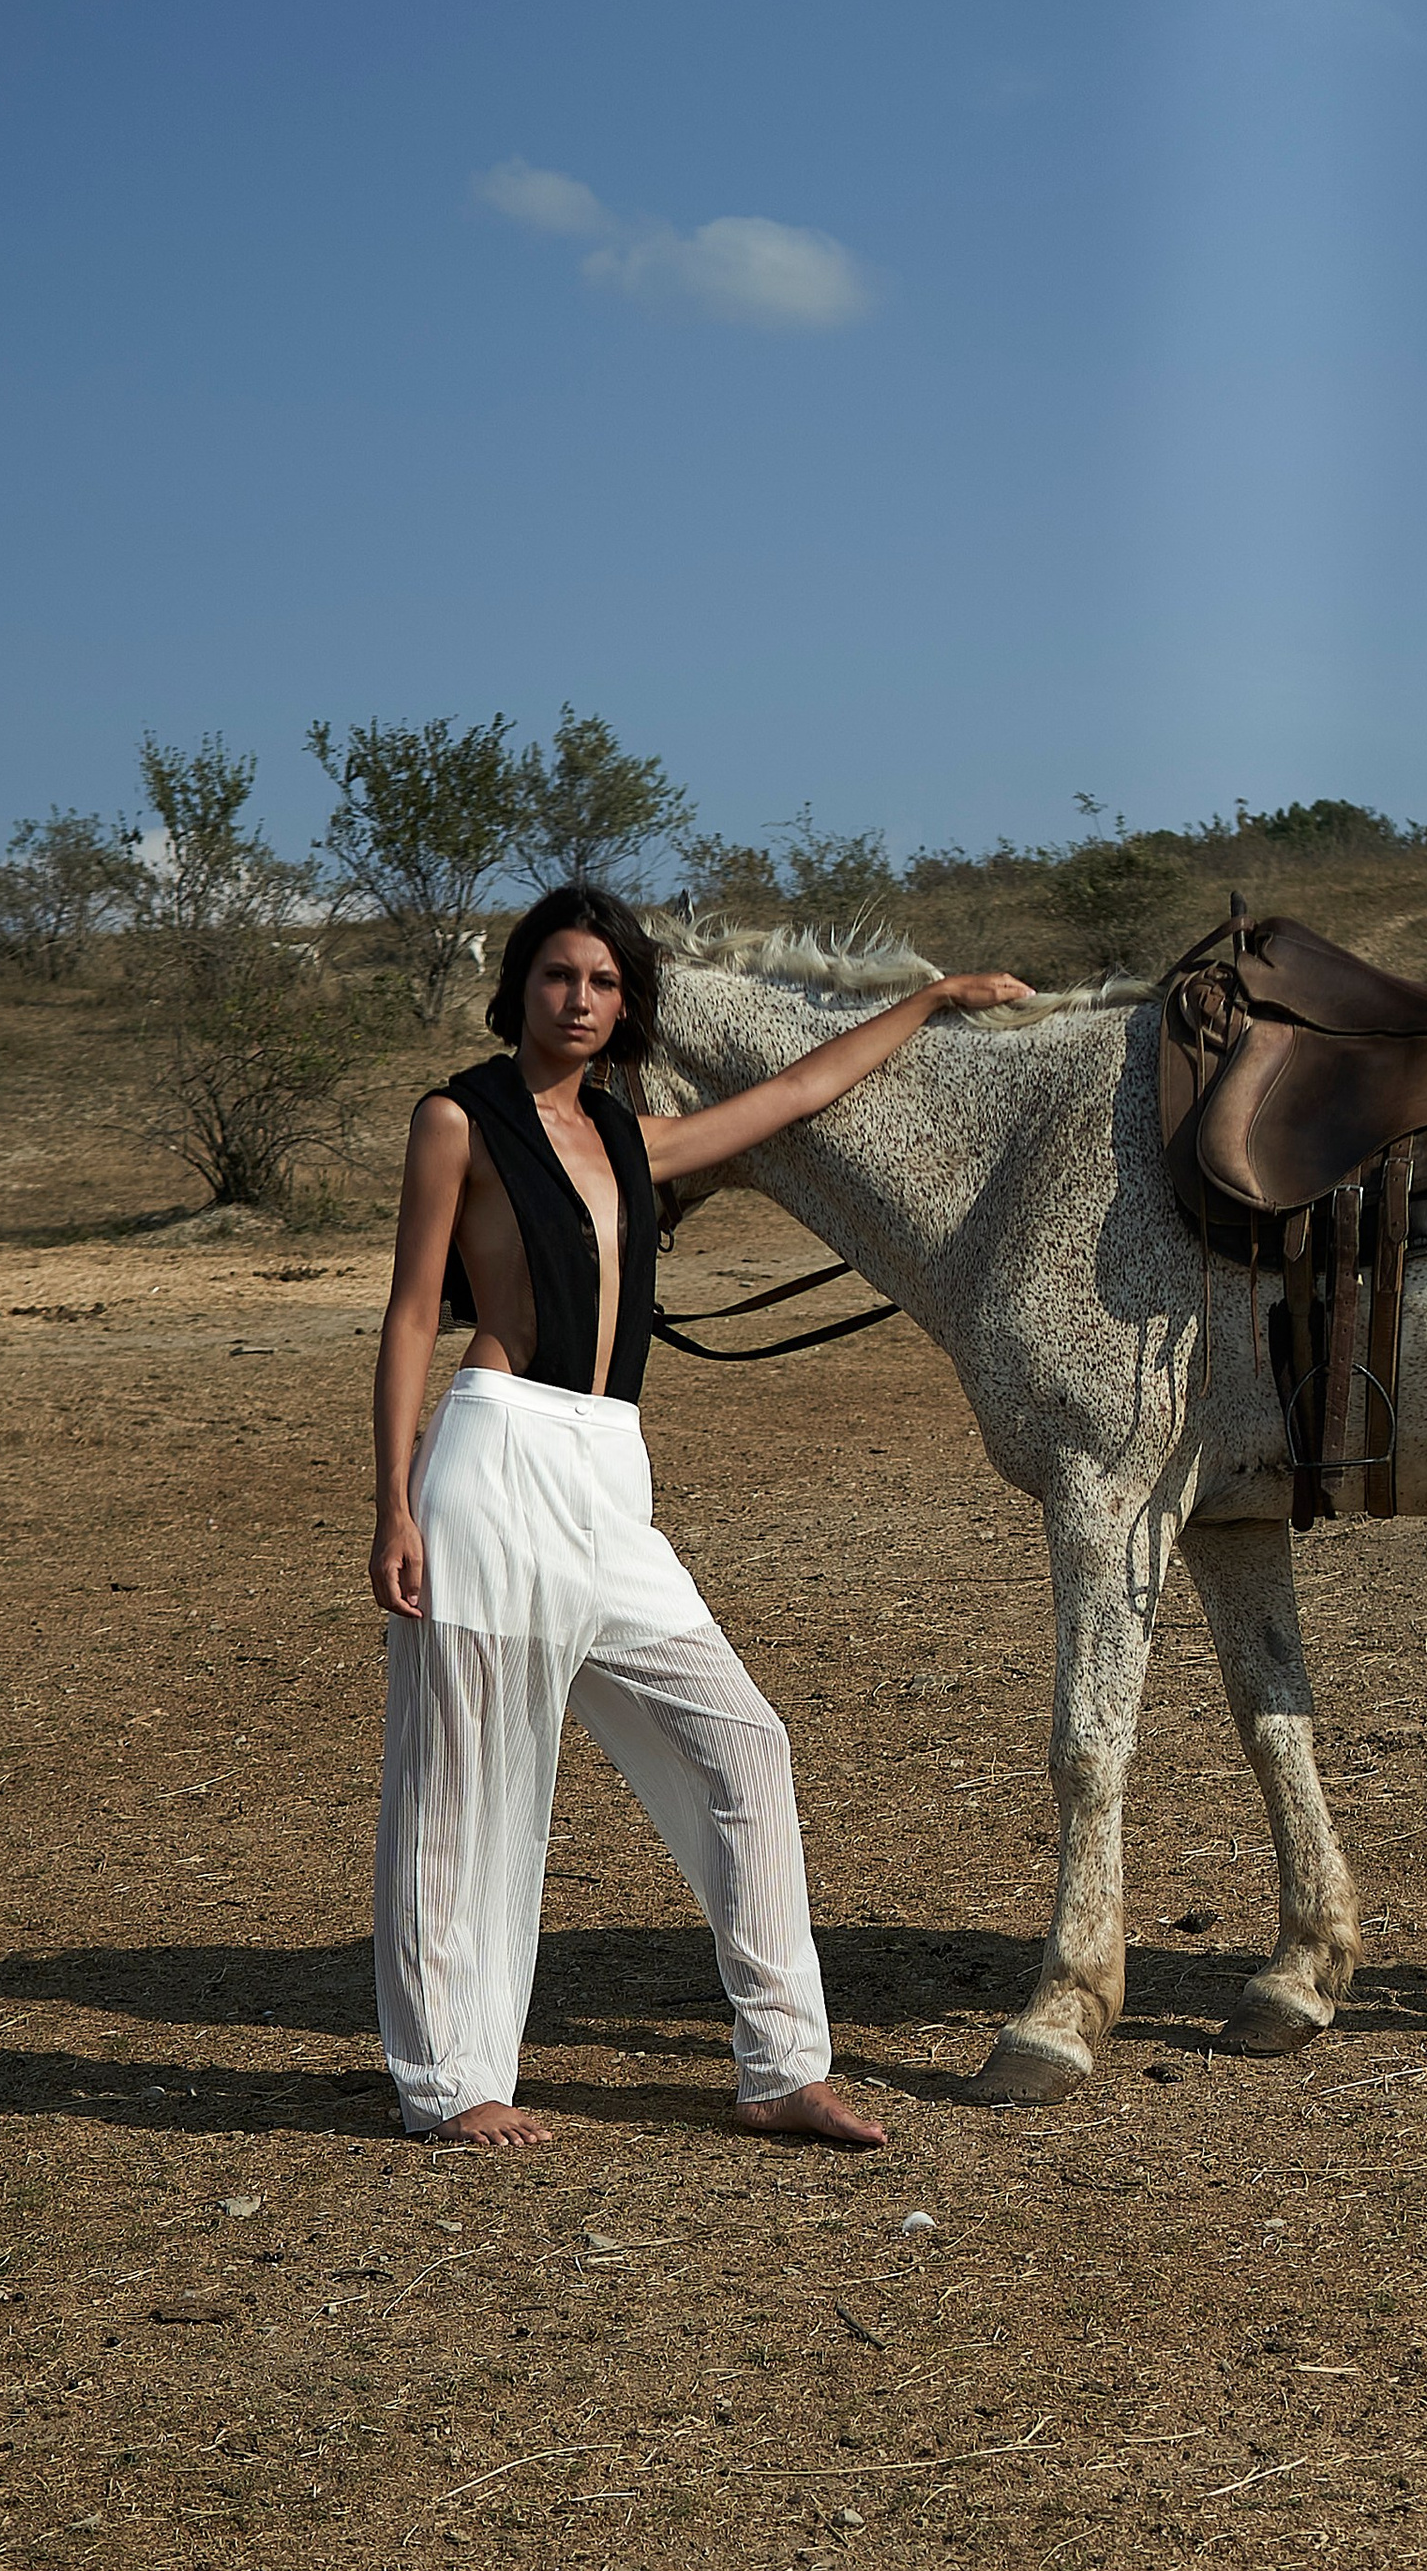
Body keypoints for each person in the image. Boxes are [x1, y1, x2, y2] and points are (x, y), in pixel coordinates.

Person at [369, 880, 1030, 2151]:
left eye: (605, 983)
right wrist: (391, 1503)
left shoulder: (629, 1137)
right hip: (495, 1459)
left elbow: (791, 1097)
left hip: (613, 1475)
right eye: (560, 977)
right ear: (520, 989)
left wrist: (929, 1001)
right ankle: (453, 2083)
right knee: (467, 1782)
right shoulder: (457, 1120)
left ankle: (781, 2070)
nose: (580, 1000)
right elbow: (410, 1313)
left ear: (629, 1005)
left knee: (743, 1746)